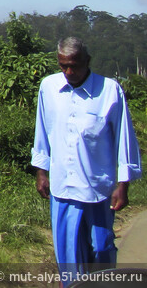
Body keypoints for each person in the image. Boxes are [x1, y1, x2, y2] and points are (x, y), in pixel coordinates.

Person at [31, 37, 142, 285]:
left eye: (75, 65)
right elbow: (42, 131)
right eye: (63, 66)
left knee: (101, 249)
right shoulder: (48, 87)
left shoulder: (109, 90)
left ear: (87, 61)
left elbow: (124, 139)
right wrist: (41, 170)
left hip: (97, 189)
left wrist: (123, 184)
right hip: (63, 189)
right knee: (69, 258)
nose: (70, 72)